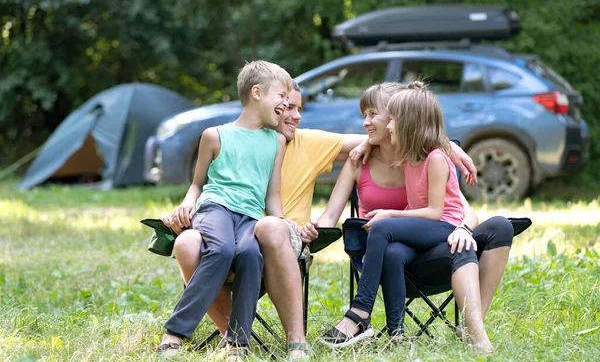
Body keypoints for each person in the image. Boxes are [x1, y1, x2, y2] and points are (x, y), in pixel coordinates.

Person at [163, 81, 479, 359]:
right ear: (263, 101)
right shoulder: (235, 139)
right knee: (187, 242)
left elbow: (400, 134)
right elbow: (206, 186)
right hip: (232, 229)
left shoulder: (308, 142)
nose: (294, 115)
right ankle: (231, 336)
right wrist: (185, 210)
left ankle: (295, 340)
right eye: (286, 106)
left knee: (270, 226)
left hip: (280, 236)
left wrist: (448, 146)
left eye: (298, 108)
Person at [317, 82, 504, 354]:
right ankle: (396, 333)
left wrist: (451, 148)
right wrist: (310, 232)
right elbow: (329, 215)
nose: (366, 123)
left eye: (375, 115)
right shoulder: (363, 158)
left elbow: (455, 210)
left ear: (400, 119)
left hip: (433, 247)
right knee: (390, 246)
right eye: (364, 115)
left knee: (494, 228)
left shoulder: (426, 157)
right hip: (388, 255)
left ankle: (360, 312)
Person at [155, 60, 291, 360]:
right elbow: (197, 185)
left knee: (250, 254)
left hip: (251, 216)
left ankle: (238, 342)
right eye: (281, 95)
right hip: (216, 207)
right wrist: (188, 203)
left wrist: (283, 228)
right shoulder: (214, 135)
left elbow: (272, 195)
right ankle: (174, 333)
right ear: (257, 92)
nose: (286, 102)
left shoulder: (276, 142)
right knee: (222, 250)